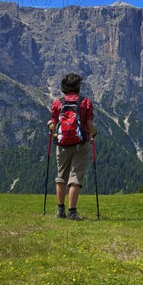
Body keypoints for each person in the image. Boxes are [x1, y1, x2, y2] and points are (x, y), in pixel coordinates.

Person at [47, 73, 97, 220]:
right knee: (76, 176)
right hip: (81, 144)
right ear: (77, 86)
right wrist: (94, 133)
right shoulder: (85, 103)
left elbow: (53, 125)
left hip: (62, 144)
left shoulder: (57, 103)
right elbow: (89, 125)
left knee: (61, 176)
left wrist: (51, 127)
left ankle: (60, 210)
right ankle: (72, 212)